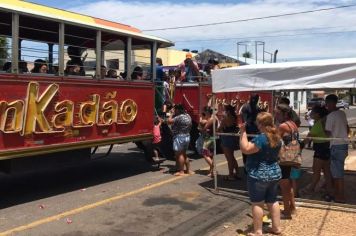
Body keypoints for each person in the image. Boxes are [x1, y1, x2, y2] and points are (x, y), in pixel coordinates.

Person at [240, 112, 282, 236]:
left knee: (257, 202)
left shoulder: (261, 138)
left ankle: (258, 231)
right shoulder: (277, 137)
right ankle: (276, 228)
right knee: (272, 200)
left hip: (259, 174)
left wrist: (243, 132)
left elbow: (246, 149)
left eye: (257, 122)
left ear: (261, 124)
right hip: (274, 172)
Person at [301, 105, 333, 196]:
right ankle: (329, 189)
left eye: (312, 112)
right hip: (326, 147)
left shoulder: (318, 124)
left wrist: (300, 146)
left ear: (317, 115)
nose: (310, 114)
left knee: (316, 170)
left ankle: (311, 188)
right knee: (326, 171)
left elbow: (308, 138)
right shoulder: (323, 122)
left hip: (320, 148)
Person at [325, 94, 349, 203]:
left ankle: (340, 197)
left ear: (330, 103)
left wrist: (322, 123)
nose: (326, 106)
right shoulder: (342, 113)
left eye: (327, 104)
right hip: (343, 144)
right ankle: (337, 194)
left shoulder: (331, 116)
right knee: (338, 171)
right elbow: (347, 129)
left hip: (335, 145)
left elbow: (327, 132)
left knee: (337, 173)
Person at [275, 104, 297, 219]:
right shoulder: (293, 124)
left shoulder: (283, 126)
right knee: (289, 185)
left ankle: (287, 212)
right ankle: (292, 208)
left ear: (285, 114)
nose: (276, 115)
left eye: (278, 113)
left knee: (284, 186)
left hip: (285, 158)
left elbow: (275, 141)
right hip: (293, 157)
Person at [167, 104, 192, 176]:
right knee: (184, 154)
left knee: (180, 154)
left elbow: (169, 121)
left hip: (179, 137)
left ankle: (181, 171)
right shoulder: (188, 115)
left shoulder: (179, 117)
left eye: (175, 110)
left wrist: (171, 114)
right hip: (187, 135)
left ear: (177, 110)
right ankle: (188, 170)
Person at [239, 94, 263, 168]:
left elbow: (245, 120)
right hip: (250, 132)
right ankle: (247, 168)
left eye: (255, 99)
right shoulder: (247, 107)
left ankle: (250, 167)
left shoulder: (256, 108)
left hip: (254, 132)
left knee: (252, 151)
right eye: (254, 99)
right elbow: (245, 120)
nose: (254, 100)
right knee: (247, 152)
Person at [218, 104, 240, 180]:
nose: (223, 111)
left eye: (224, 110)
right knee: (232, 157)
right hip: (232, 138)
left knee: (229, 158)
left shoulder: (225, 119)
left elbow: (219, 128)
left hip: (226, 138)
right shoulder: (234, 117)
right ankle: (236, 173)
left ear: (228, 111)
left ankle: (231, 175)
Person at [200, 106, 216, 177]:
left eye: (205, 112)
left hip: (209, 138)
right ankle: (212, 171)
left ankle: (213, 168)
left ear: (207, 112)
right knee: (210, 154)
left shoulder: (211, 119)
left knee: (205, 153)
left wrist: (201, 125)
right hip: (211, 137)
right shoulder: (212, 118)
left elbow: (203, 129)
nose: (204, 113)